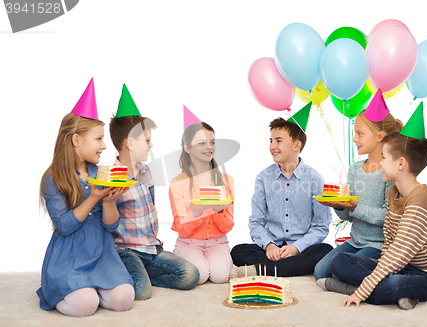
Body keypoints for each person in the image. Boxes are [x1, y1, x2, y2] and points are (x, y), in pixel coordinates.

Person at [319, 105, 427, 310]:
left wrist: (360, 291)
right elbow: (390, 247)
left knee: (395, 283)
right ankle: (401, 293)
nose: (380, 164)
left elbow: (398, 253)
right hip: (402, 267)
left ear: (401, 164)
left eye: (384, 158)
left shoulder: (421, 199)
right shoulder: (395, 193)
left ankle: (352, 289)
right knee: (340, 262)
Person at [37, 80, 134, 317]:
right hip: (69, 255)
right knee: (84, 305)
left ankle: (92, 287)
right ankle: (72, 289)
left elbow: (111, 226)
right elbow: (64, 226)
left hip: (101, 252)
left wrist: (109, 200)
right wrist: (92, 198)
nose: (104, 145)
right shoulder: (53, 178)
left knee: (124, 299)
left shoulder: (100, 173)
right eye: (98, 139)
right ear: (76, 140)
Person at [109, 84, 199, 300]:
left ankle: (148, 275)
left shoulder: (146, 171)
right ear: (130, 143)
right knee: (140, 292)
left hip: (151, 249)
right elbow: (107, 222)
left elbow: (151, 207)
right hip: (126, 251)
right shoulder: (111, 177)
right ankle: (135, 277)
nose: (150, 145)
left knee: (190, 275)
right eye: (147, 140)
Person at [230, 117, 333, 277]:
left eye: (278, 141)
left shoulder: (314, 178)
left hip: (301, 248)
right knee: (237, 251)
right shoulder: (263, 177)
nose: (272, 147)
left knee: (326, 250)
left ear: (296, 145)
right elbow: (256, 222)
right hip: (272, 248)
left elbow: (320, 226)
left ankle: (262, 270)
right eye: (271, 141)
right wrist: (270, 246)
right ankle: (286, 267)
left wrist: (296, 248)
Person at [314, 105, 403, 280]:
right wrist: (338, 205)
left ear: (379, 136)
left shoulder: (389, 172)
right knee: (321, 271)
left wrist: (356, 207)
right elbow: (348, 216)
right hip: (355, 242)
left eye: (360, 133)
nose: (354, 139)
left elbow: (388, 216)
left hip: (378, 246)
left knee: (339, 273)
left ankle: (390, 271)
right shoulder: (354, 169)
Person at [169, 121, 234, 284]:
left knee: (220, 276)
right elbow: (182, 230)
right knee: (200, 275)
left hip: (218, 242)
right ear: (187, 148)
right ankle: (178, 256)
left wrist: (218, 211)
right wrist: (196, 212)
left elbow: (228, 226)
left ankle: (225, 262)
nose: (209, 147)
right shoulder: (178, 183)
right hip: (189, 243)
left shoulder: (226, 181)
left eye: (212, 142)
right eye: (201, 143)